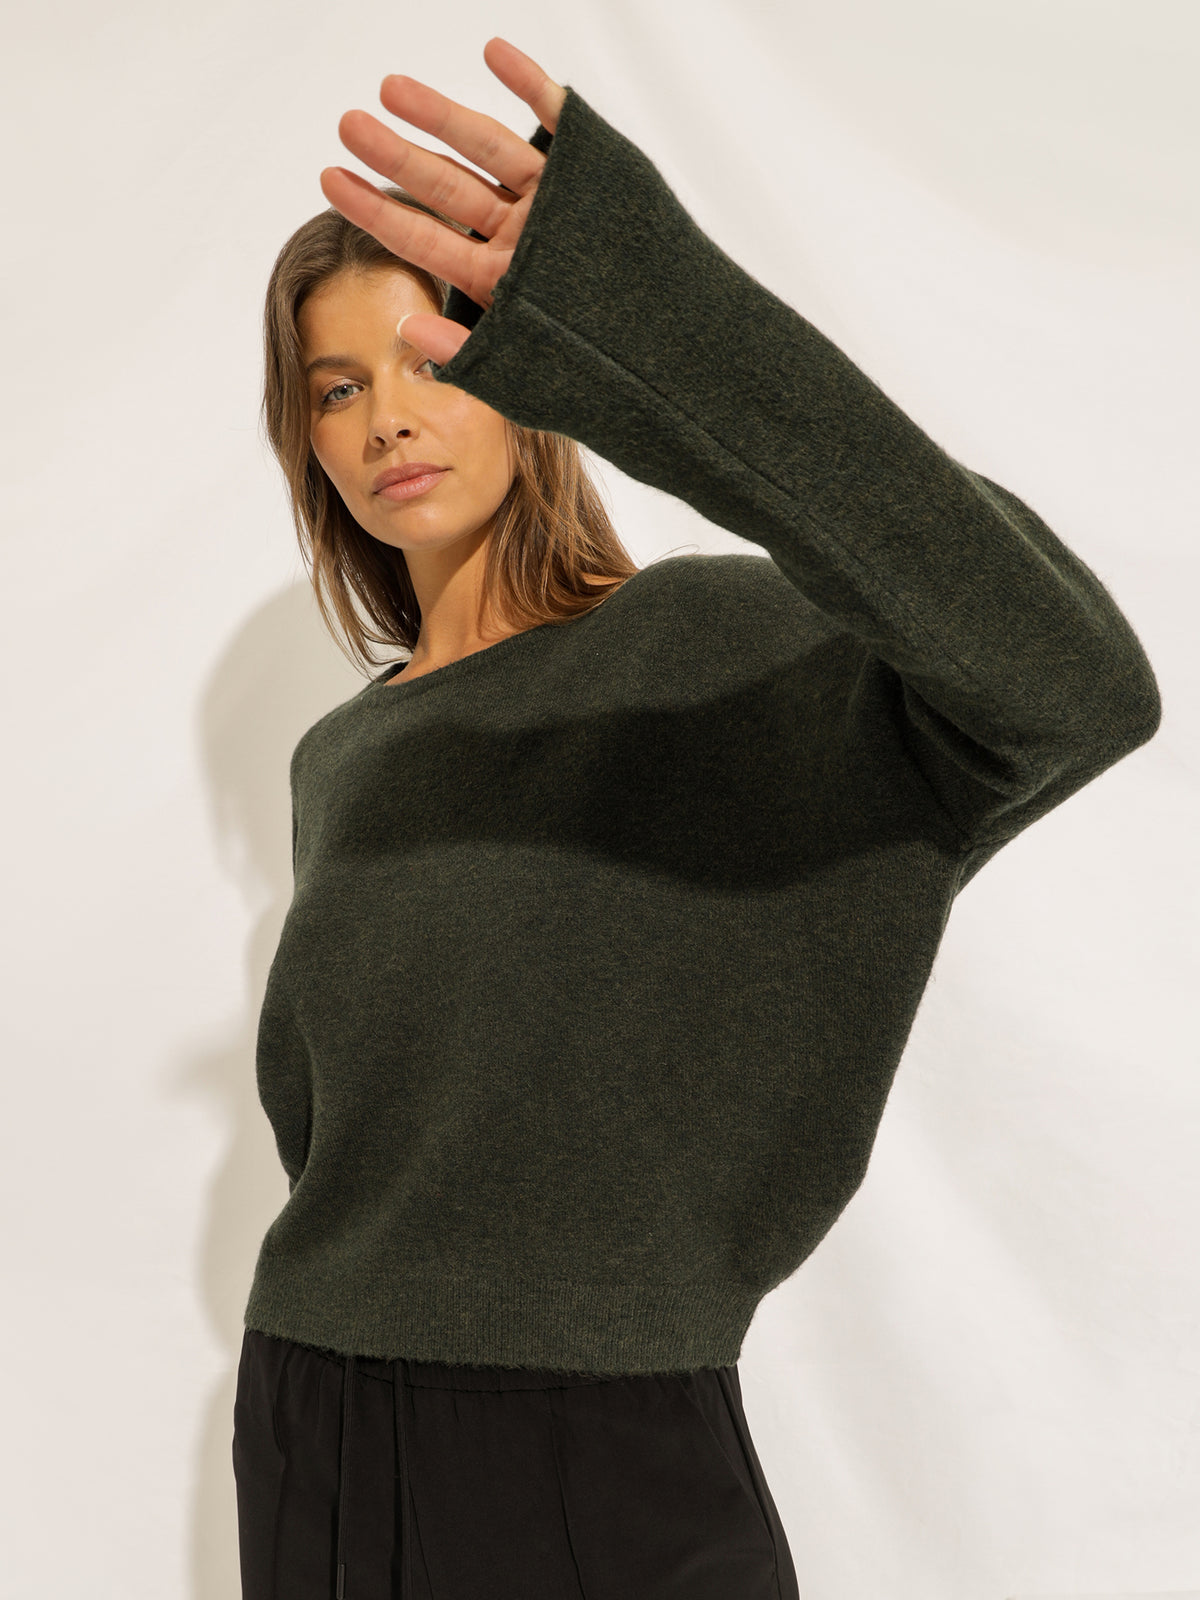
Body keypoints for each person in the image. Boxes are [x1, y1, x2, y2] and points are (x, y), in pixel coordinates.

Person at [231, 35, 1162, 1600]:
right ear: (308, 440)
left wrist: (656, 324)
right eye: (338, 388)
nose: (388, 416)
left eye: (436, 354)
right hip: (311, 1419)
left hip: (599, 1449)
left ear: (528, 373)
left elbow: (1078, 686)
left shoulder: (722, 646)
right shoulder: (343, 757)